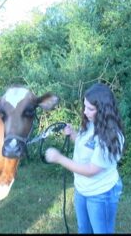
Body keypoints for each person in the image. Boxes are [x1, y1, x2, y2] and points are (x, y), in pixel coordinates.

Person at [45, 83, 125, 234]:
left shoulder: (111, 136)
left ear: (103, 109)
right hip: (82, 189)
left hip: (101, 193)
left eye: (90, 109)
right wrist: (74, 134)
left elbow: (91, 170)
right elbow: (87, 147)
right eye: (85, 106)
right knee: (84, 230)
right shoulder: (92, 123)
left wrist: (59, 158)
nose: (85, 112)